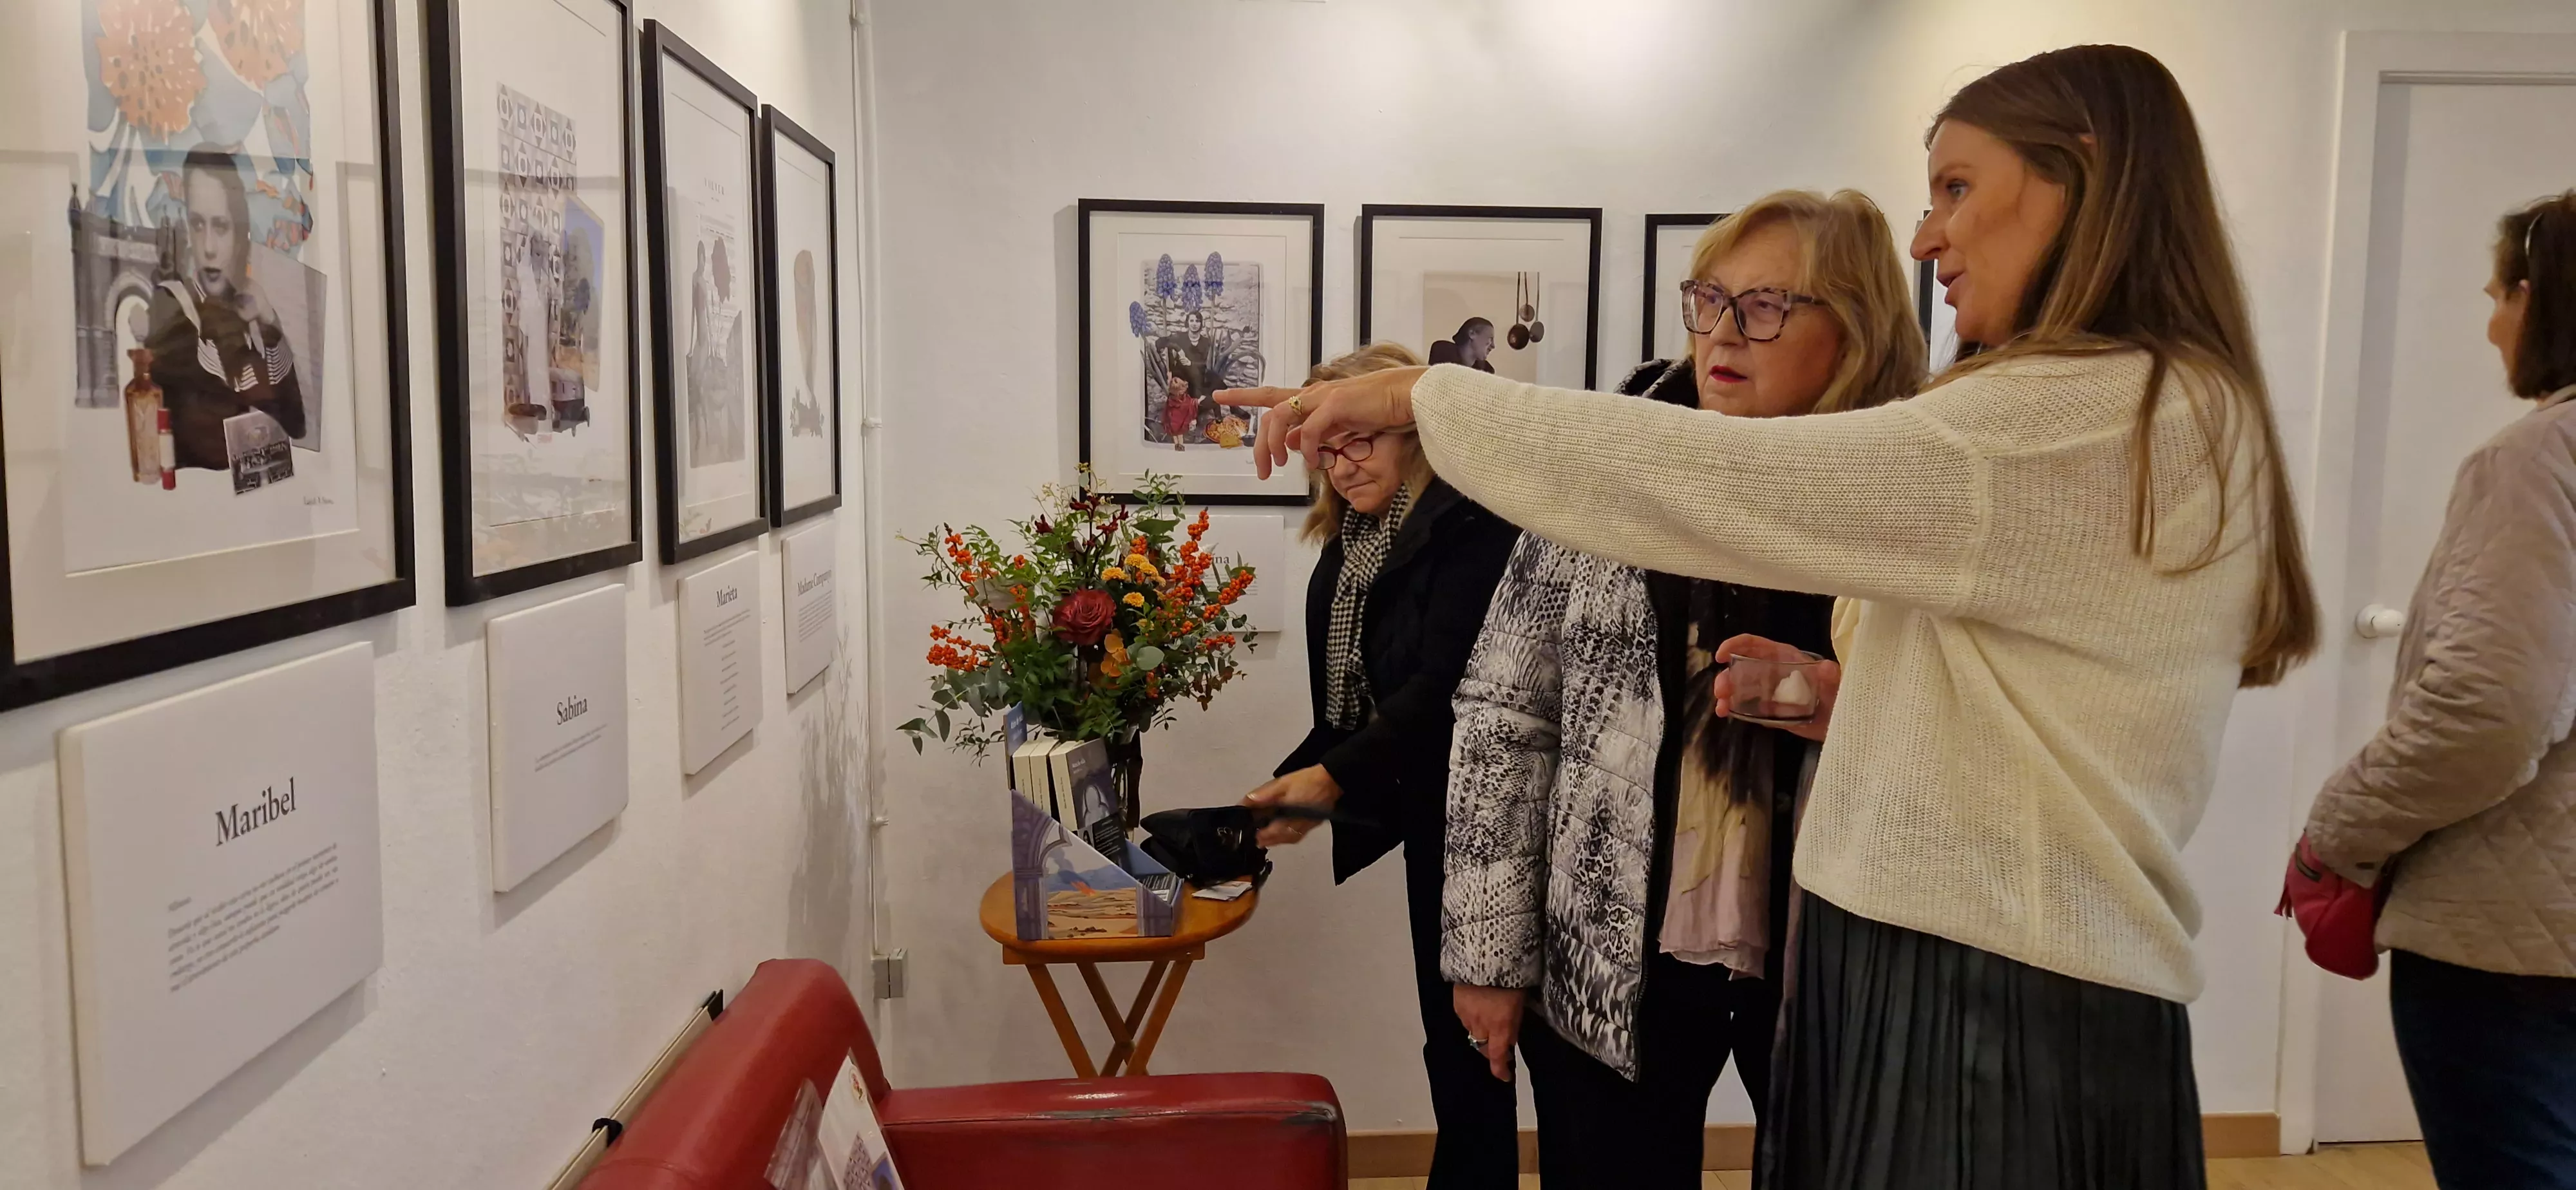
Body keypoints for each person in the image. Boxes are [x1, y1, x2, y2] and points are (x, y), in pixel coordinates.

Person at [1227, 44, 2318, 1190]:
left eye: (1958, 186)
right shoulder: (2138, 403)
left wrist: (1423, 395)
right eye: (1710, 303)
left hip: (1982, 993)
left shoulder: (2058, 417)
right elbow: (1513, 714)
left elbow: (1714, 486)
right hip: (1936, 969)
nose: (1927, 235)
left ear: (2082, 174)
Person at [1441, 190, 1924, 1189]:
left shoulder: (1912, 504)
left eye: (1764, 307)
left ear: (1859, 329)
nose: (1720, 335)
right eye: (1708, 301)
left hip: (1841, 955)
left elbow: (1986, 723)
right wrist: (1487, 957)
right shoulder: (1606, 478)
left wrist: (1854, 703)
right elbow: (1502, 717)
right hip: (1614, 946)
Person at [2297, 191, 2576, 1190]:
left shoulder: (2541, 455)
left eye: (2500, 293)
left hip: (2516, 949)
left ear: (2543, 301)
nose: (2490, 320)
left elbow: (2489, 715)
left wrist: (2336, 834)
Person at [1242, 341, 1523, 1189]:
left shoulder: (1470, 523)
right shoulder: (1355, 540)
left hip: (1498, 822)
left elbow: (1444, 685)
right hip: (1429, 810)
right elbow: (1355, 708)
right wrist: (1275, 794)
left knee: (1491, 1042)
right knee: (1457, 1040)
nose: (1344, 460)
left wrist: (1330, 782)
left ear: (1412, 428)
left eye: (1361, 437)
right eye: (1328, 446)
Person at [146, 147, 305, 471]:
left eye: (220, 227)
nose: (208, 247)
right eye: (197, 225)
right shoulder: (171, 304)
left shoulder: (248, 314)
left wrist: (270, 322)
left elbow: (295, 423)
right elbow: (212, 443)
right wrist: (267, 426)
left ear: (238, 233)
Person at [1427, 318, 1499, 373]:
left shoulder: (1486, 369)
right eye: (1490, 339)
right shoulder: (1442, 351)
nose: (1493, 346)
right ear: (1472, 334)